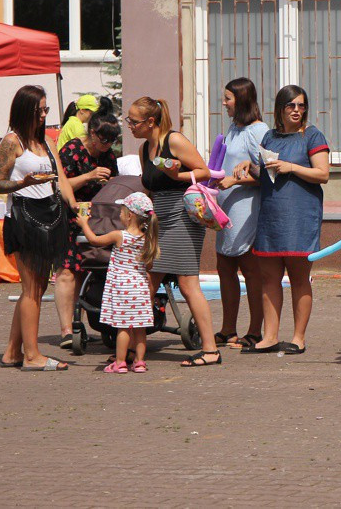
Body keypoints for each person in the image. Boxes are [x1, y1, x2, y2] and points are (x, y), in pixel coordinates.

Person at [233, 85, 329, 354]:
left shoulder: (312, 135)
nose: (297, 110)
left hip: (300, 216)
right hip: (271, 215)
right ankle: (270, 336)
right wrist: (249, 168)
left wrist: (292, 167)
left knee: (299, 278)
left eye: (301, 105)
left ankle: (298, 338)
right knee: (269, 279)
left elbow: (322, 174)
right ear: (280, 109)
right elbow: (267, 175)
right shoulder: (270, 138)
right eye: (291, 105)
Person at [127, 96, 220, 367]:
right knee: (147, 282)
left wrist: (176, 175)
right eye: (129, 121)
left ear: (151, 121)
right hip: (160, 217)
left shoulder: (174, 140)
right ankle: (132, 349)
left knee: (188, 284)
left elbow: (204, 171)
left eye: (134, 121)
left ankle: (211, 349)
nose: (130, 126)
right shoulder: (145, 149)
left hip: (183, 215)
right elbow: (149, 186)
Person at [0, 85, 78, 371]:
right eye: (38, 110)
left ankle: (12, 352)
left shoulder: (46, 142)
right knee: (31, 288)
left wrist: (75, 205)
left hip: (49, 216)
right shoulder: (12, 141)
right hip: (23, 217)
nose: (43, 115)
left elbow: (61, 179)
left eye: (46, 109)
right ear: (24, 110)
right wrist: (24, 182)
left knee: (39, 287)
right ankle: (32, 356)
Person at [54, 99, 120, 348]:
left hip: (99, 219)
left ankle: (84, 323)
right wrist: (90, 176)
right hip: (70, 217)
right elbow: (60, 184)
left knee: (91, 270)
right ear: (92, 132)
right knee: (68, 271)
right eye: (104, 140)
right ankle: (66, 331)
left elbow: (114, 183)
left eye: (111, 141)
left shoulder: (108, 155)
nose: (107, 146)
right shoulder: (72, 149)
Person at [213, 78, 269, 350]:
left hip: (246, 210)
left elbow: (268, 175)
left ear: (242, 99)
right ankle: (228, 328)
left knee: (250, 270)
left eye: (228, 99)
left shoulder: (259, 131)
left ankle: (255, 330)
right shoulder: (234, 128)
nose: (223, 104)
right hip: (226, 209)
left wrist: (235, 182)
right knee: (224, 267)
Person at [76, 192, 158, 373]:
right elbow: (149, 265)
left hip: (122, 288)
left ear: (129, 216)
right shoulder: (147, 238)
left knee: (123, 327)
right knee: (139, 328)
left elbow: (94, 240)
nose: (119, 216)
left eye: (121, 212)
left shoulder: (119, 236)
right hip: (140, 287)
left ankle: (120, 362)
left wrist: (84, 223)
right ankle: (140, 362)